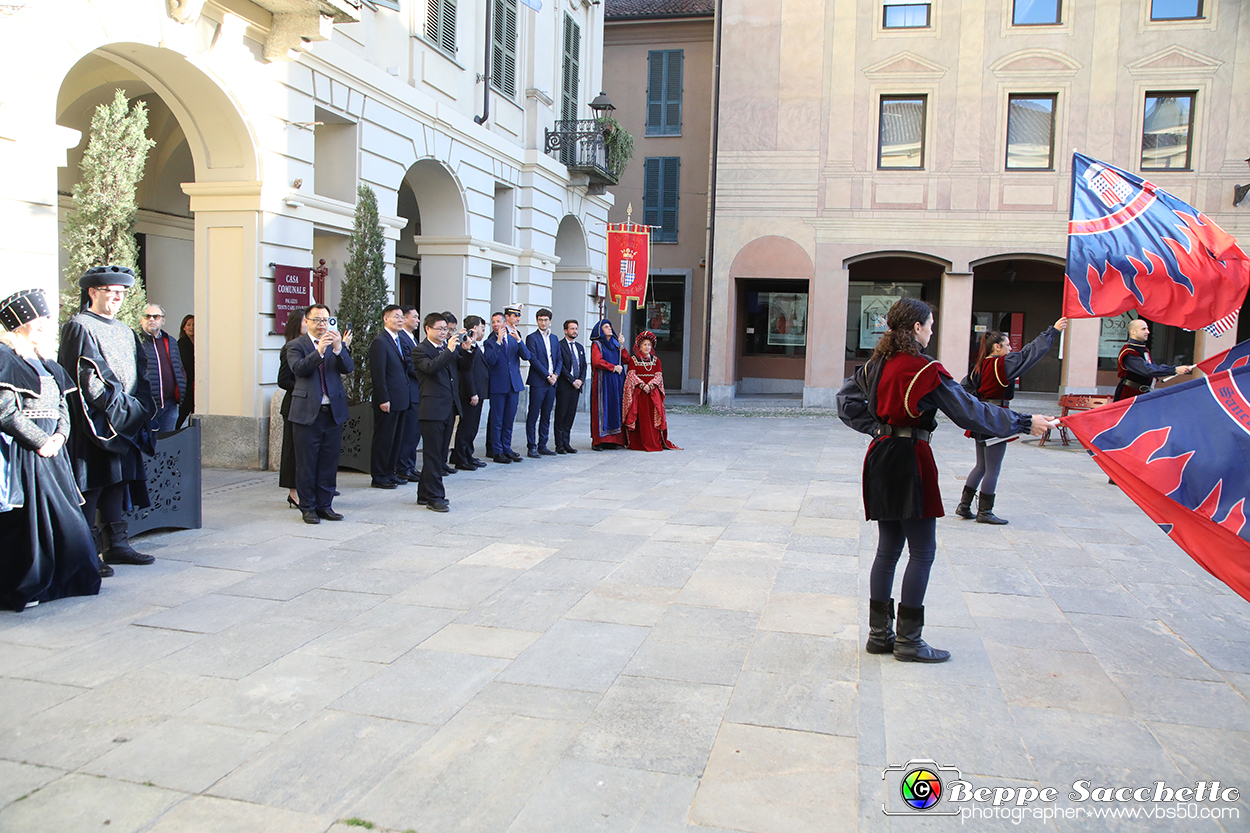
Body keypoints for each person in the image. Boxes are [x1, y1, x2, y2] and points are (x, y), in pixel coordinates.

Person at [837, 298, 1054, 663]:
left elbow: (845, 402)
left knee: (887, 550)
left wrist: (878, 428)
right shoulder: (923, 369)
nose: (933, 330)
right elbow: (969, 411)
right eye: (931, 325)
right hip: (910, 459)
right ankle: (908, 641)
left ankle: (880, 636)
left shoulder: (877, 364)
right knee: (922, 551)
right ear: (917, 328)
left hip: (879, 455)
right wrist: (1023, 421)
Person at [0, 289, 102, 610]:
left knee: (66, 519)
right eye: (39, 319)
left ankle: (69, 579)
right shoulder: (5, 357)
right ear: (20, 322)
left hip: (53, 452)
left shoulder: (46, 361)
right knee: (29, 523)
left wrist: (59, 436)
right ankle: (26, 586)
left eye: (46, 318)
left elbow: (62, 406)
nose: (45, 324)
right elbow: (6, 411)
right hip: (24, 454)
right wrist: (40, 441)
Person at [58, 265, 156, 570]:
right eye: (110, 292)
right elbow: (87, 378)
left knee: (118, 481)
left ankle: (118, 545)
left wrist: (138, 410)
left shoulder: (125, 329)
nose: (117, 298)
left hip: (124, 420)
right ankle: (88, 552)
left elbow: (141, 373)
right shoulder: (80, 326)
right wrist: (118, 410)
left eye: (121, 293)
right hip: (95, 424)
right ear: (92, 292)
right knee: (94, 485)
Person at [956, 318, 1068, 525]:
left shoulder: (978, 367)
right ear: (997, 347)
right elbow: (1029, 354)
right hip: (996, 417)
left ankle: (964, 506)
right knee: (992, 468)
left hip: (980, 417)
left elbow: (965, 390)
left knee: (981, 465)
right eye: (1007, 345)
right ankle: (985, 512)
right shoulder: (1001, 363)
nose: (1011, 349)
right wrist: (1052, 331)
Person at [286, 303, 353, 524]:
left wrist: (338, 348)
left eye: (325, 320)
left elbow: (348, 368)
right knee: (307, 462)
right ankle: (308, 507)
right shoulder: (296, 345)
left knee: (328, 461)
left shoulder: (335, 343)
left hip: (332, 411)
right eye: (317, 320)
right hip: (307, 412)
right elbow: (299, 369)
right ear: (306, 322)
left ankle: (325, 505)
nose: (322, 324)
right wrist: (320, 351)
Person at [411, 313, 466, 512]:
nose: (444, 333)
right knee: (433, 455)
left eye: (446, 329)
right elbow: (431, 368)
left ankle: (423, 493)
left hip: (449, 407)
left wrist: (467, 350)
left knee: (440, 454)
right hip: (431, 409)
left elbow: (463, 367)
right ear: (427, 329)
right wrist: (450, 350)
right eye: (440, 329)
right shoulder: (420, 350)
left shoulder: (447, 349)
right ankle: (435, 496)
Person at [368, 305, 412, 489]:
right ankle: (379, 475)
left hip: (401, 398)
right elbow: (378, 373)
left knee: (396, 439)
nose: (400, 320)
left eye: (402, 317)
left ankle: (390, 472)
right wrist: (383, 398)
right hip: (388, 399)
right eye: (396, 317)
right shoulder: (380, 341)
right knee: (384, 439)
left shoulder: (398, 340)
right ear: (386, 319)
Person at [483, 305, 530, 464]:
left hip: (513, 384)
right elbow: (490, 360)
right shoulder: (490, 341)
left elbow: (526, 356)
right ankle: (497, 451)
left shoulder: (513, 337)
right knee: (497, 420)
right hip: (498, 385)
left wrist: (519, 340)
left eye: (498, 321)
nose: (495, 324)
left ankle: (507, 448)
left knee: (509, 419)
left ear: (504, 323)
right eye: (493, 322)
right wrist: (497, 341)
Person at [622, 330, 681, 452]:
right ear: (640, 346)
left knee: (653, 417)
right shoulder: (633, 360)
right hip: (639, 393)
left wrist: (651, 385)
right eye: (644, 344)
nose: (647, 347)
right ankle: (638, 443)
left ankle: (653, 441)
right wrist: (643, 385)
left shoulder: (656, 360)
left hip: (652, 394)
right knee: (640, 417)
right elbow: (631, 375)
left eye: (649, 345)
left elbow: (659, 375)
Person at [1115, 319, 1194, 401]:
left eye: (1147, 329)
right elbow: (1147, 370)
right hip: (1128, 395)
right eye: (1143, 329)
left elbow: (1153, 367)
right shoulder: (1129, 352)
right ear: (1133, 332)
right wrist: (1174, 369)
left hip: (1143, 394)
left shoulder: (1143, 348)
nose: (1148, 332)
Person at [138, 304, 187, 434]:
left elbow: (179, 367)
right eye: (147, 316)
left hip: (170, 406)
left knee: (167, 446)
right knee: (146, 447)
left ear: (163, 320)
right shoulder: (135, 341)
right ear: (141, 320)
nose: (152, 319)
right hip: (147, 406)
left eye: (156, 316)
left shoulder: (170, 341)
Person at [277, 308, 306, 508]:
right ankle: (293, 492)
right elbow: (283, 380)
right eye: (307, 321)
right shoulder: (290, 348)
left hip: (310, 406)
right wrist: (304, 389)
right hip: (294, 405)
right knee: (292, 450)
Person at [524, 307, 563, 458]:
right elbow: (532, 359)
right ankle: (531, 446)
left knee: (546, 414)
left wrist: (556, 375)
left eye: (546, 320)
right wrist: (547, 375)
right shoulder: (532, 338)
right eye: (540, 320)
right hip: (538, 381)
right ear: (537, 321)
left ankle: (543, 444)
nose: (543, 322)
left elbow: (558, 358)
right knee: (534, 414)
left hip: (552, 382)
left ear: (550, 321)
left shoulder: (553, 338)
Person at [452, 315, 489, 471]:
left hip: (478, 392)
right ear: (474, 328)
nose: (483, 331)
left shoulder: (474, 345)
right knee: (466, 427)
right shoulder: (463, 345)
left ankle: (468, 454)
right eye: (482, 328)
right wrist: (473, 392)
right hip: (469, 393)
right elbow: (466, 372)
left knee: (473, 427)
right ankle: (461, 457)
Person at [589, 319, 627, 449]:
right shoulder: (597, 344)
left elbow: (626, 359)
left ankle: (613, 440)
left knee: (615, 408)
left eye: (610, 326)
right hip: (603, 381)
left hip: (616, 382)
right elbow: (597, 361)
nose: (609, 328)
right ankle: (599, 441)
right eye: (606, 326)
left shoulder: (616, 343)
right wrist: (613, 367)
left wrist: (622, 345)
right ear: (600, 330)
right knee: (602, 408)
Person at [395, 305, 422, 483]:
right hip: (410, 391)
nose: (418, 320)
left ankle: (410, 466)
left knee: (414, 433)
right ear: (405, 319)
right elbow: (411, 365)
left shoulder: (411, 338)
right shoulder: (402, 338)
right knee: (409, 432)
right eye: (415, 317)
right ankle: (403, 467)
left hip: (417, 391)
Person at [554, 319, 586, 454]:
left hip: (576, 387)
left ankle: (567, 443)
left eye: (576, 329)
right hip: (565, 385)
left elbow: (584, 366)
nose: (574, 331)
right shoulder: (560, 346)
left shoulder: (579, 347)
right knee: (561, 414)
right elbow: (561, 366)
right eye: (572, 329)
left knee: (570, 416)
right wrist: (572, 380)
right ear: (566, 331)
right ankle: (559, 444)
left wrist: (581, 381)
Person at [176, 314, 194, 429]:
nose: (192, 327)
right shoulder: (182, 343)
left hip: (198, 384)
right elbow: (187, 365)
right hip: (187, 384)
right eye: (189, 325)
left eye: (194, 325)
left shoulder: (201, 342)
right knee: (183, 412)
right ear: (184, 327)